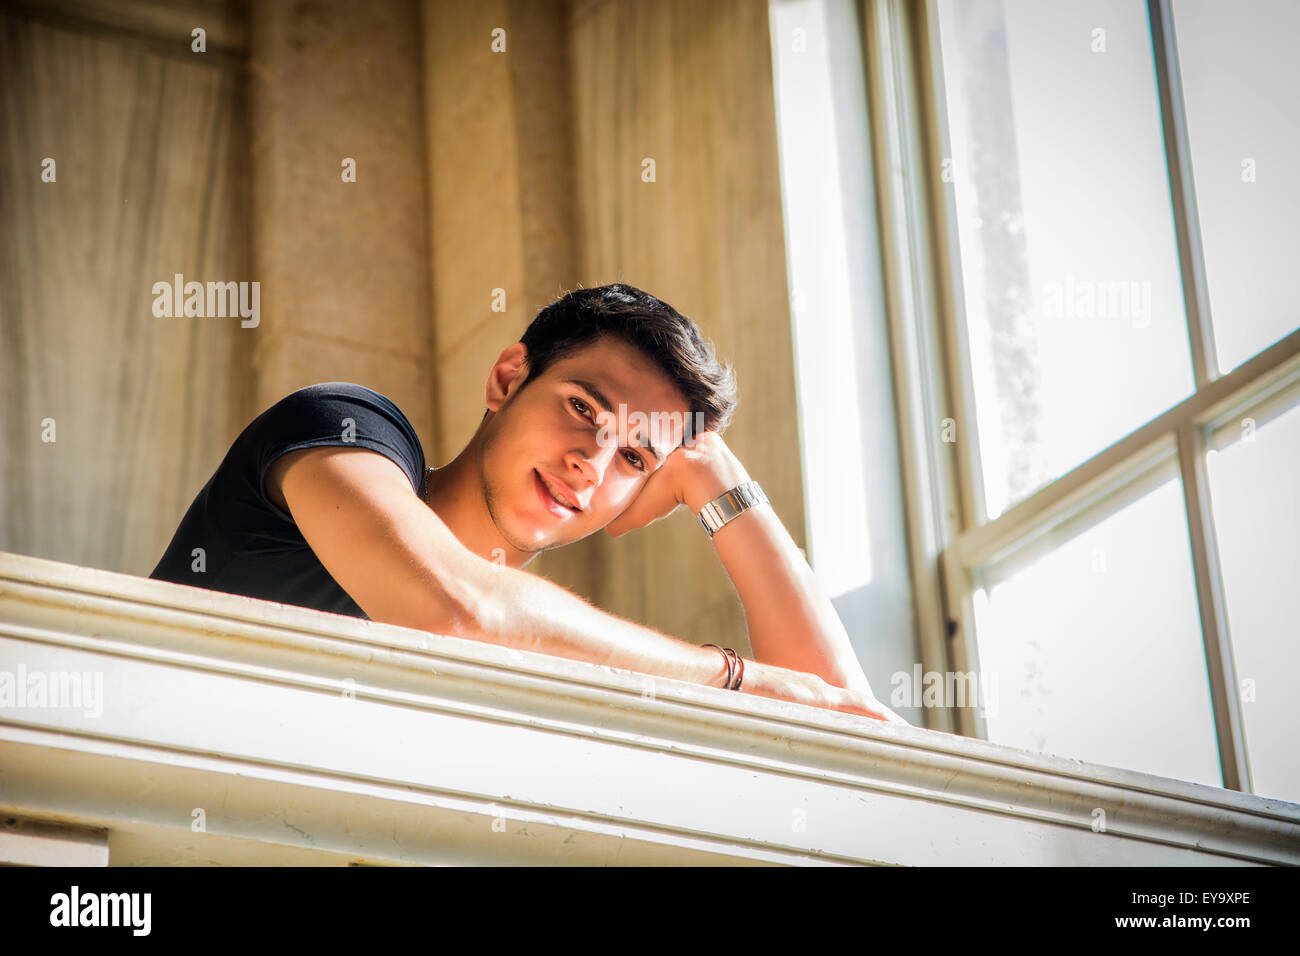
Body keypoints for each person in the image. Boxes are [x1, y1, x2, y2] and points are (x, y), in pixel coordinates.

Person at [150, 283, 907, 724]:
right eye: (584, 409)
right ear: (508, 377)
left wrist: (717, 480)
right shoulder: (346, 428)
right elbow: (460, 610)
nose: (592, 461)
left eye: (634, 457)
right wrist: (735, 676)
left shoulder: (545, 654)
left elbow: (845, 725)